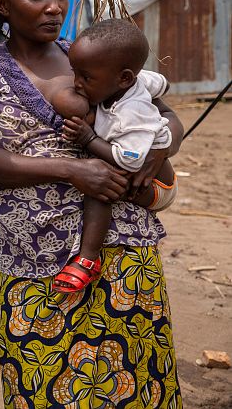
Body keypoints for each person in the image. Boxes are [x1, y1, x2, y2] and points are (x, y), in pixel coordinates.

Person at [0, 0, 183, 407]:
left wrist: (160, 149)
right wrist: (72, 171)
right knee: (44, 384)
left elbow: (165, 115)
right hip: (39, 266)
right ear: (3, 6)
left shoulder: (95, 56)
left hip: (123, 257)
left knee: (137, 383)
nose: (54, 6)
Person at [51, 19, 177, 292]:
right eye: (75, 74)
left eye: (86, 78)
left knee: (101, 185)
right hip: (145, 164)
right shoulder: (131, 81)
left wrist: (89, 138)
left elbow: (130, 160)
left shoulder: (131, 114)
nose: (77, 83)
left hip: (156, 184)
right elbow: (160, 83)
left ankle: (87, 258)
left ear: (124, 78)